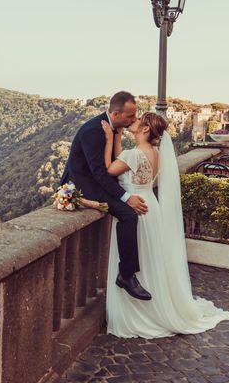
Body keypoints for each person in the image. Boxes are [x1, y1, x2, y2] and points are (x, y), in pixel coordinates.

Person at [101, 112, 229, 338]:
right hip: (150, 206)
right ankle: (154, 308)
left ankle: (136, 314)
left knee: (138, 253)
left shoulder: (134, 154)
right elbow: (127, 162)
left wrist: (110, 139)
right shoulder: (156, 154)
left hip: (134, 207)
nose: (135, 121)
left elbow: (110, 169)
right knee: (151, 259)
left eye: (139, 120)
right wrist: (119, 136)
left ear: (144, 129)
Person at [60, 91, 151, 301]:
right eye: (130, 116)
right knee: (129, 215)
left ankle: (127, 274)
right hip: (86, 185)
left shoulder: (114, 127)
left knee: (129, 214)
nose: (134, 120)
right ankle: (126, 275)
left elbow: (114, 163)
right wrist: (126, 197)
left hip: (98, 180)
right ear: (116, 114)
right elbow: (99, 173)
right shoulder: (94, 130)